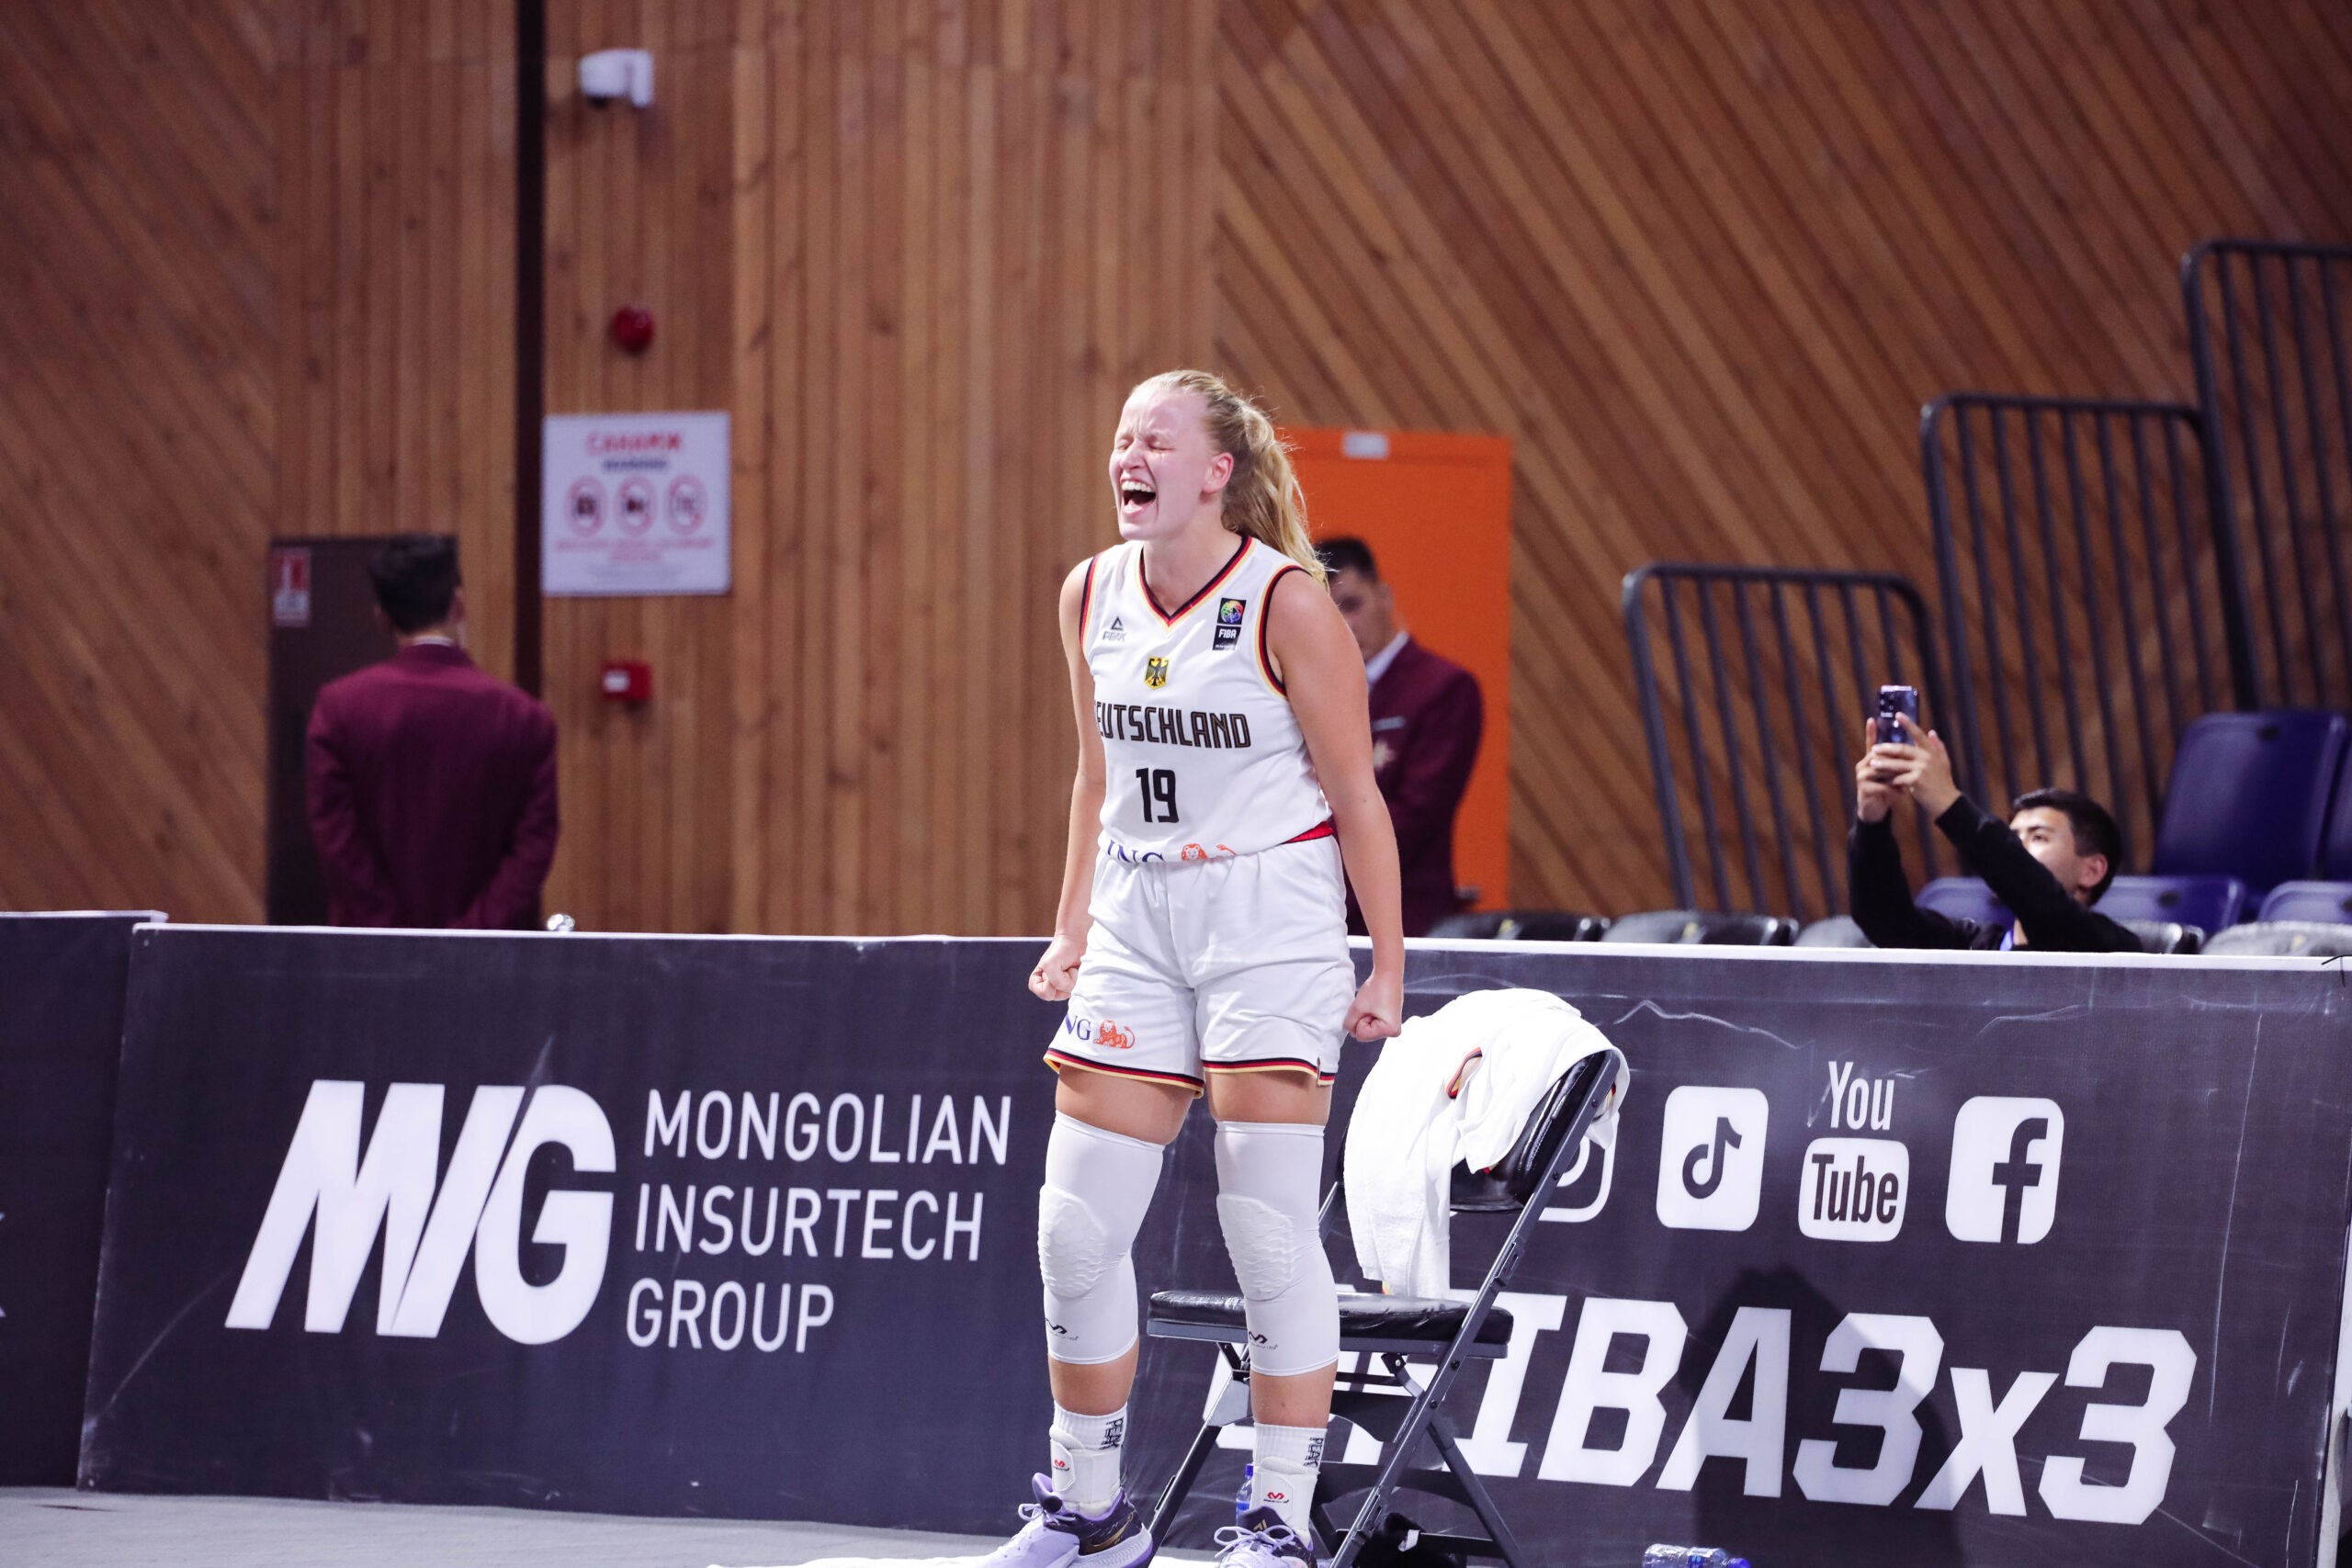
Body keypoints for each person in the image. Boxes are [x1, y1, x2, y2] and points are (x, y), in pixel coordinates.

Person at [1005, 371, 1406, 1568]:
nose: (1129, 455)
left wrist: (1386, 962)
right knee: (1074, 1231)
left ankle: (1277, 1519)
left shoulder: (1286, 601)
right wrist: (1071, 925)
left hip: (1268, 917)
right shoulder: (1090, 591)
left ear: (1216, 471)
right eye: (1122, 436)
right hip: (1138, 913)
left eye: (1157, 439)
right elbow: (1096, 774)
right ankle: (1089, 1513)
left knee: (1264, 1229)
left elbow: (1357, 796)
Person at [305, 535, 560, 929]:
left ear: (382, 618)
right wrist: (469, 935)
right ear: (459, 604)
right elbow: (533, 848)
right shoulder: (525, 718)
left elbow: (338, 842)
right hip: (487, 955)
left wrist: (390, 932)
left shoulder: (339, 708)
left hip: (368, 953)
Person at [1849, 715, 2137, 952]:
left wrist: (1947, 803)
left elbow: (2037, 894)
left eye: (2038, 837)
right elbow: (1885, 921)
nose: (2017, 846)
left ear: (2092, 870)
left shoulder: (2110, 948)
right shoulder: (1975, 946)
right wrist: (1872, 823)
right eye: (2013, 835)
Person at [1317, 537, 1484, 936]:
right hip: (1316, 912)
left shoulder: (1443, 688)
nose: (1345, 625)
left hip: (1404, 920)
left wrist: (1312, 864)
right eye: (1328, 612)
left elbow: (1415, 817)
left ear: (1384, 596)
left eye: (1352, 605)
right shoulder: (1311, 693)